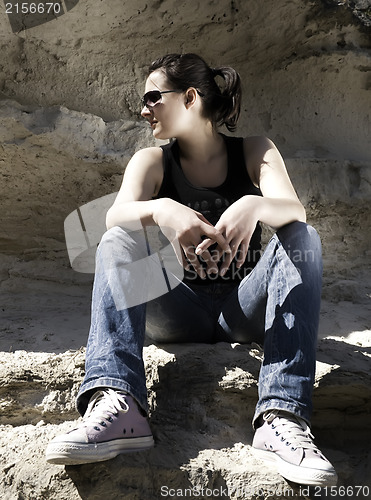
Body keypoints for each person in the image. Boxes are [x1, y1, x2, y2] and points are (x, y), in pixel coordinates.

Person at [46, 53, 337, 486]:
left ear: (190, 96)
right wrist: (163, 209)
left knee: (303, 238)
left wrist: (254, 204)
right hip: (176, 310)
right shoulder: (151, 161)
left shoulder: (255, 150)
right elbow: (113, 218)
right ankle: (119, 403)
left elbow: (294, 210)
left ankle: (282, 416)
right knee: (117, 240)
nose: (143, 109)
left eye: (152, 97)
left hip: (243, 310)